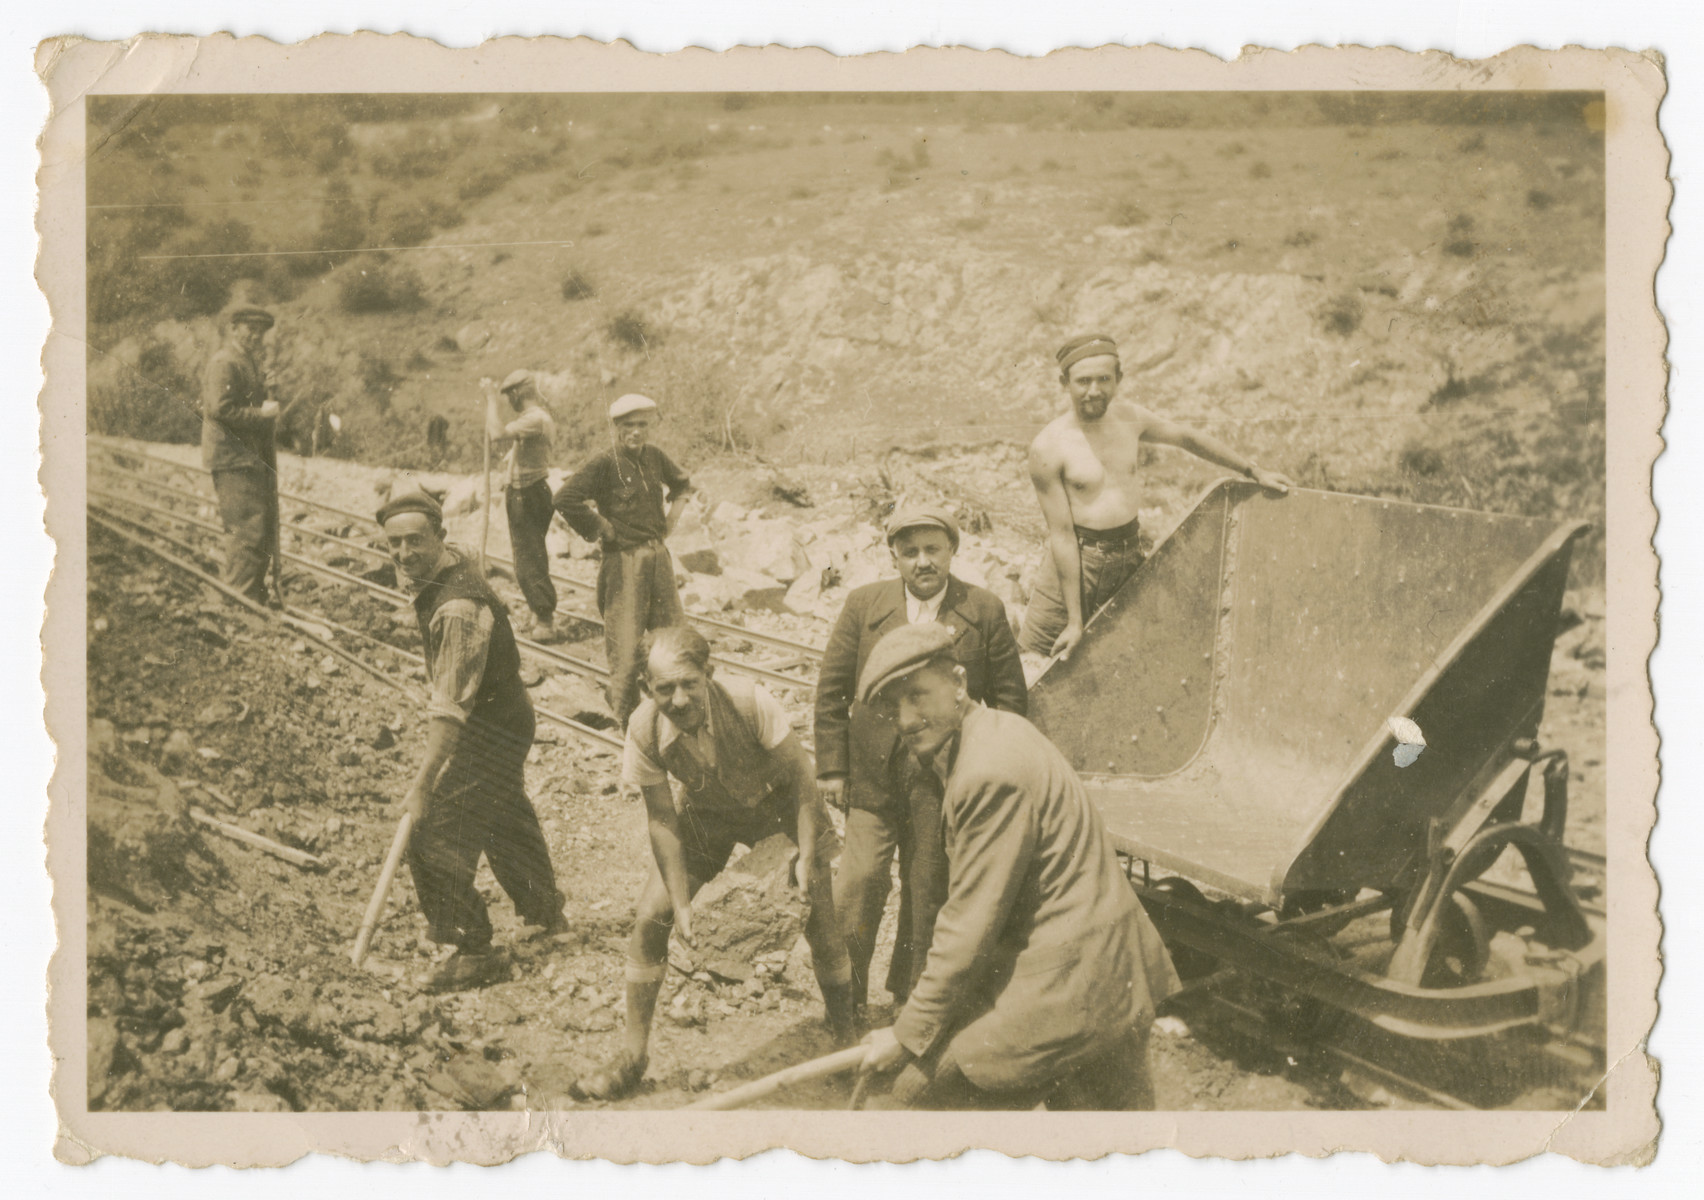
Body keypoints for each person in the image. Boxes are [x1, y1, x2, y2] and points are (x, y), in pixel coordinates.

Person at [854, 622, 1181, 1110]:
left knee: (897, 1105)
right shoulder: (1000, 730)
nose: (904, 719)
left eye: (917, 696)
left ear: (959, 684)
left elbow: (968, 926)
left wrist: (906, 1034)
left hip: (1066, 989)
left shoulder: (988, 772)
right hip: (1109, 972)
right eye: (892, 706)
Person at [577, 626, 858, 1100]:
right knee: (651, 917)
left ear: (708, 673)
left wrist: (806, 856)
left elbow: (803, 779)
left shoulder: (750, 701)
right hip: (708, 816)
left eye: (689, 683)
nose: (680, 698)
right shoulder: (644, 728)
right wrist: (682, 903)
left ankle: (845, 1034)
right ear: (648, 688)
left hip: (782, 807)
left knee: (822, 922)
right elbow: (663, 820)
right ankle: (632, 1055)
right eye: (665, 688)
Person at [816, 503, 1028, 1015]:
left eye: (933, 549)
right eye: (909, 551)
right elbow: (831, 689)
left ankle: (913, 1003)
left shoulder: (984, 609)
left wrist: (994, 767)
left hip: (943, 779)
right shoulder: (865, 605)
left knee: (929, 886)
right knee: (860, 882)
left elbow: (1011, 700)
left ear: (953, 551)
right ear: (894, 556)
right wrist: (833, 768)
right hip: (872, 775)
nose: (922, 562)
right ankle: (845, 1001)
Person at [377, 484, 567, 993]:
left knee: (432, 828)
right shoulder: (454, 563)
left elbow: (449, 713)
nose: (403, 553)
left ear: (440, 536)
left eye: (415, 541)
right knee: (501, 810)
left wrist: (421, 785)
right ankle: (545, 913)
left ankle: (472, 947)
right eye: (393, 544)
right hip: (506, 717)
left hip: (488, 726)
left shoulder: (457, 607)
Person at [1021, 333, 1293, 661]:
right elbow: (1061, 536)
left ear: (1119, 379)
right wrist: (1075, 621)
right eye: (1083, 381)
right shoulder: (1048, 447)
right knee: (1037, 661)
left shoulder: (1129, 418)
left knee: (1129, 660)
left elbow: (1186, 437)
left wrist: (1254, 471)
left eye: (1104, 379)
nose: (1094, 390)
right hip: (1076, 565)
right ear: (1064, 382)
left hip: (1129, 556)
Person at [553, 394, 694, 725]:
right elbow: (565, 498)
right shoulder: (604, 463)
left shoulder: (655, 457)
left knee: (671, 636)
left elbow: (682, 482)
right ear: (616, 427)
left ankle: (675, 711)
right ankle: (626, 722)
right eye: (629, 425)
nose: (636, 432)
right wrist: (602, 527)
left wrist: (672, 518)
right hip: (624, 562)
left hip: (658, 557)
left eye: (642, 425)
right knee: (626, 648)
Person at [201, 304, 281, 605]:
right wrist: (262, 414)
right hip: (233, 458)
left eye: (261, 331)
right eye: (250, 328)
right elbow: (220, 409)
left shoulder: (245, 360)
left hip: (246, 457)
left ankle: (251, 597)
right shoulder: (225, 361)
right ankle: (240, 600)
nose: (256, 336)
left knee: (257, 525)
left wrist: (266, 388)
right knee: (246, 529)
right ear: (234, 328)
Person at [485, 369, 561, 641]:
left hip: (528, 493)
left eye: (509, 397)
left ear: (517, 393)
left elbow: (496, 433)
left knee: (529, 559)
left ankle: (544, 618)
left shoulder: (536, 419)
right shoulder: (529, 419)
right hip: (524, 491)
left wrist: (491, 400)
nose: (509, 402)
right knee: (527, 557)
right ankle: (537, 611)